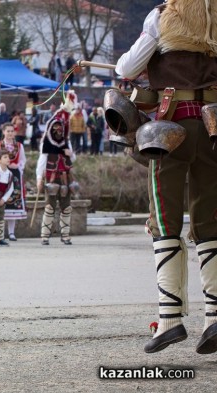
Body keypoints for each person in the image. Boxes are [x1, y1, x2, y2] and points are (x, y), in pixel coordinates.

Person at [115, 0, 217, 355]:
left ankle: (171, 319)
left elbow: (127, 67)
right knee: (210, 221)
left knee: (164, 218)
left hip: (169, 130)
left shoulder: (161, 16)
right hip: (213, 127)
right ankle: (215, 317)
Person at [36, 114, 77, 246]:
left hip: (65, 177)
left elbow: (72, 159)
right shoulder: (46, 142)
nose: (58, 130)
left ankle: (65, 235)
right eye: (55, 128)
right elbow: (41, 161)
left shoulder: (66, 141)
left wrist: (71, 154)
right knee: (49, 207)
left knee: (66, 207)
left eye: (60, 128)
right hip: (51, 177)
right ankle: (45, 236)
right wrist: (38, 178)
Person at [0, 123, 27, 241]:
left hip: (15, 175)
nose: (10, 133)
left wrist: (17, 165)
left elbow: (23, 160)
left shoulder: (19, 146)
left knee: (13, 203)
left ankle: (11, 232)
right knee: (2, 203)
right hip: (2, 175)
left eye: (12, 131)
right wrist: (3, 165)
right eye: (8, 131)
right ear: (3, 132)